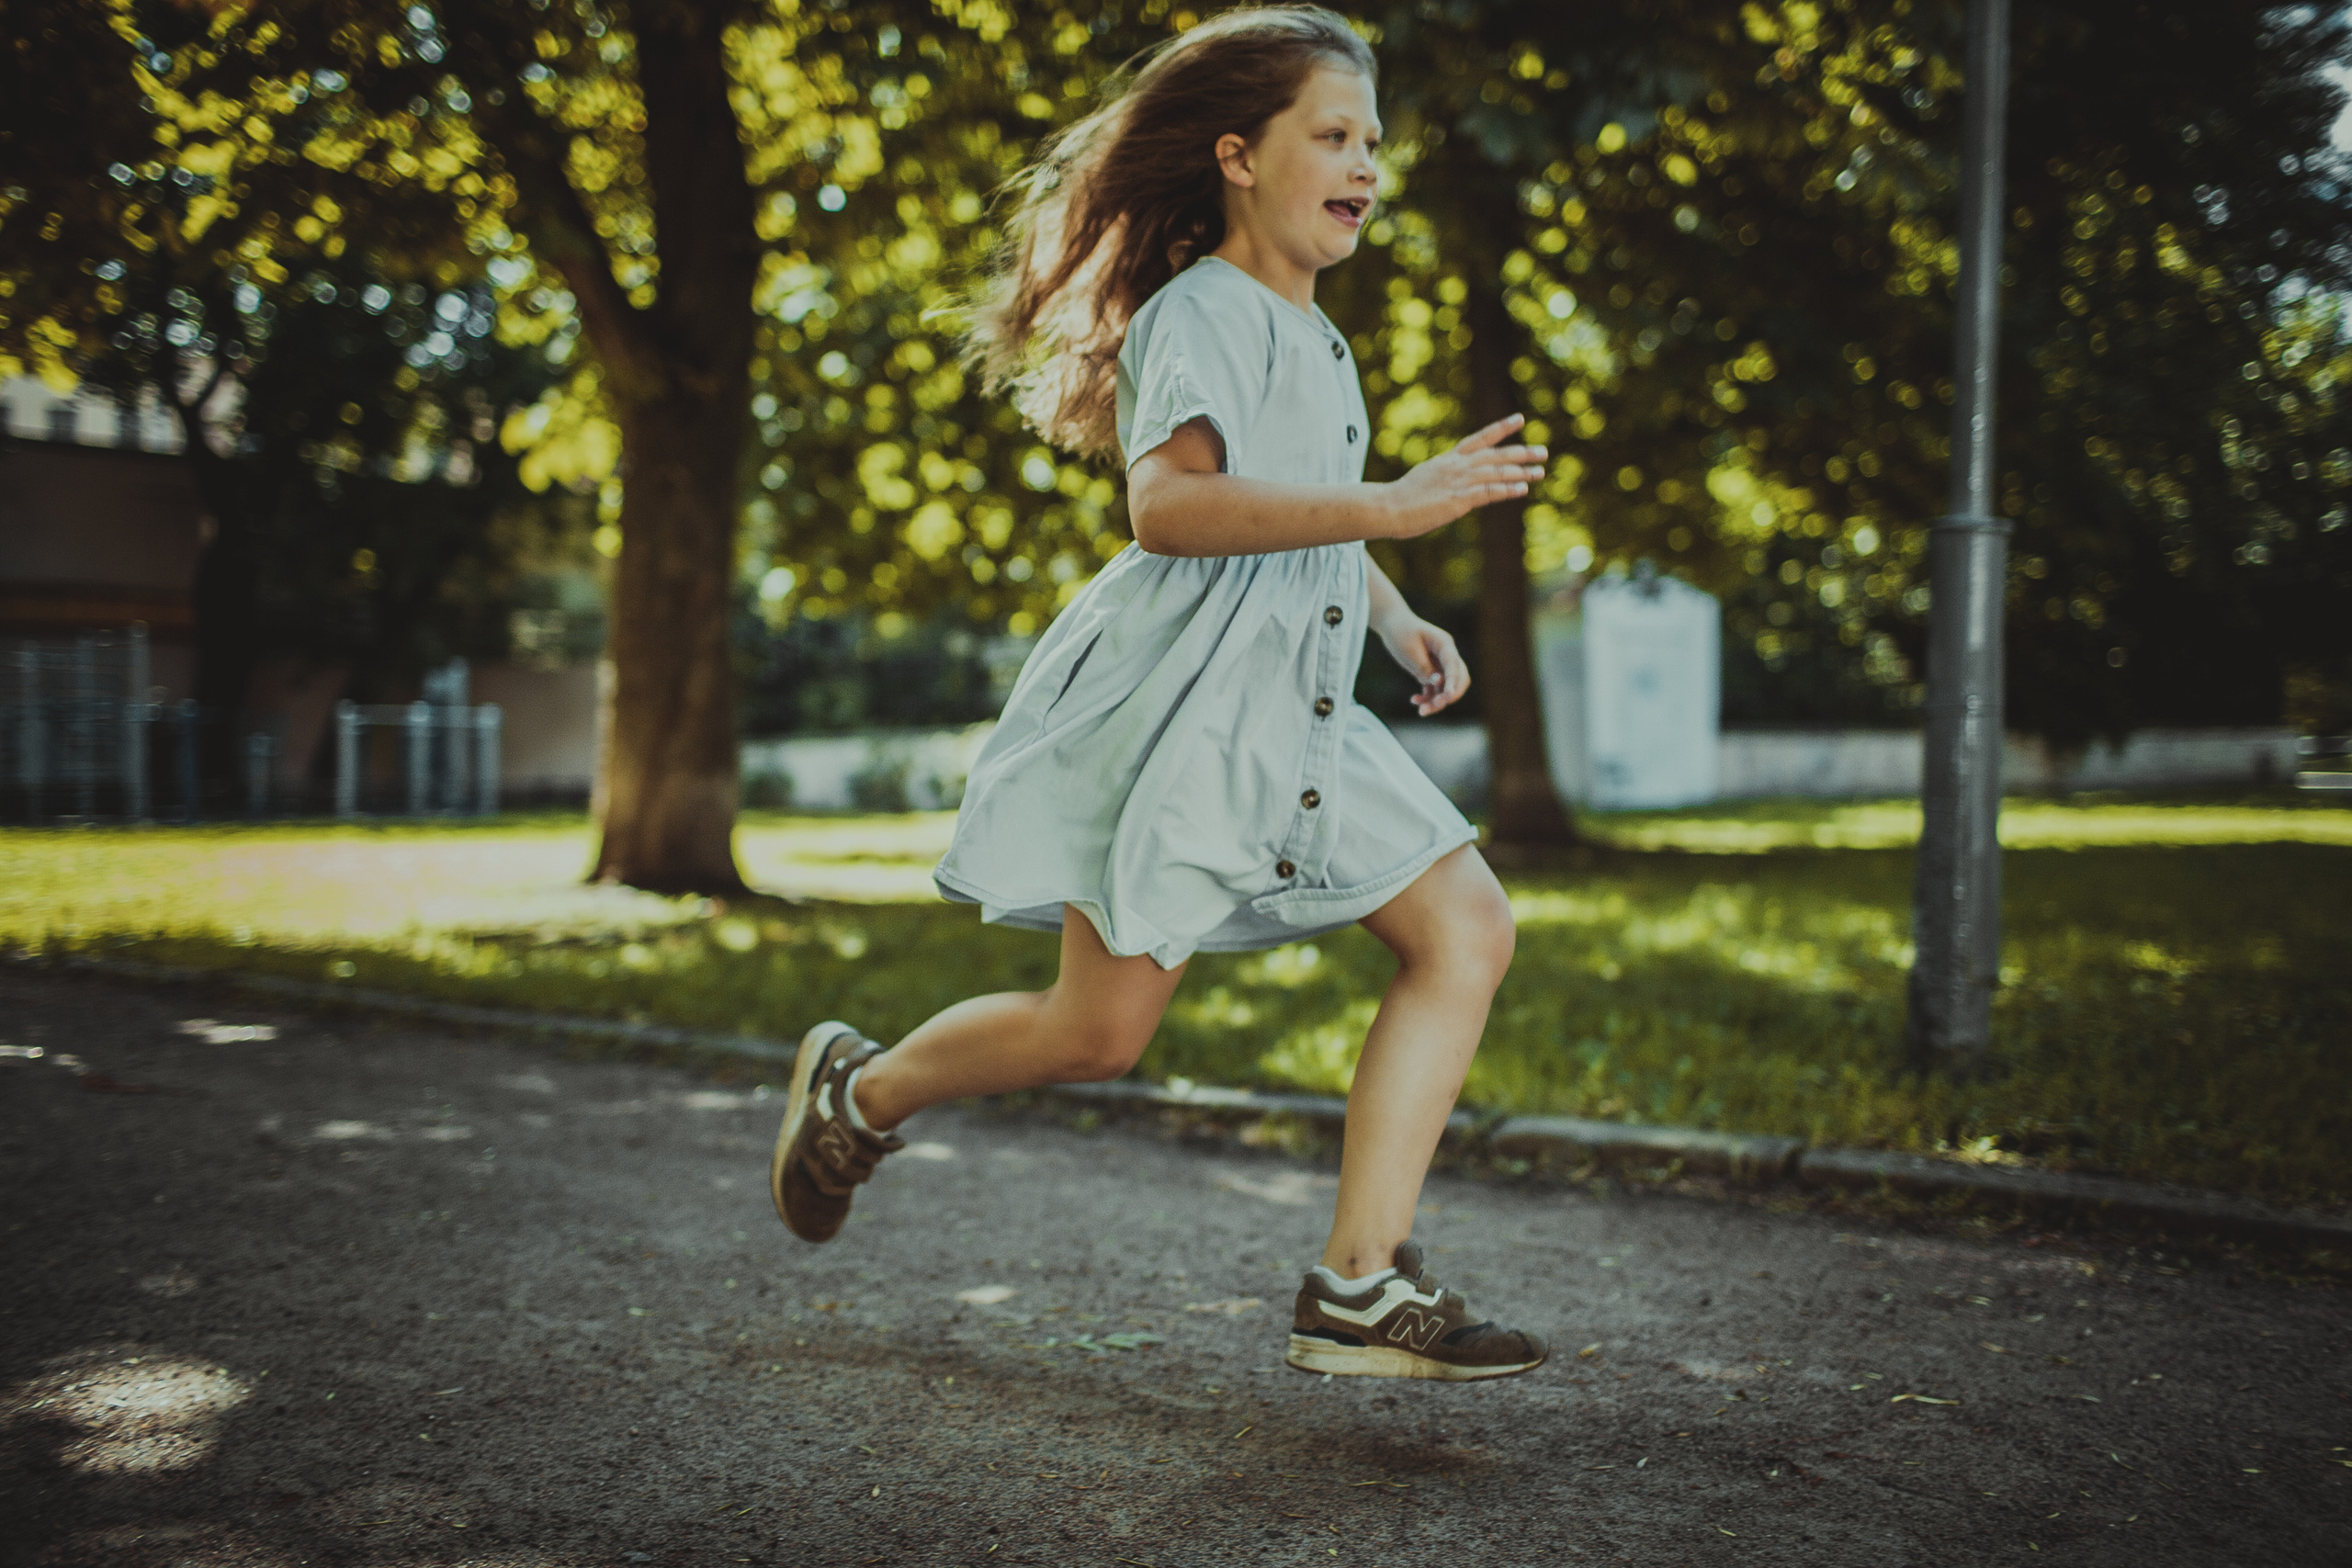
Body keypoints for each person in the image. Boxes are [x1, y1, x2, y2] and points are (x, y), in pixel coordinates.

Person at [768, 4, 1550, 1382]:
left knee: (1466, 928)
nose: (1367, 163)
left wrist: (1393, 607)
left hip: (1302, 710)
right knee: (1097, 1035)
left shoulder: (1319, 333)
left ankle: (1361, 1281)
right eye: (1334, 135)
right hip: (1190, 717)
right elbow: (1170, 507)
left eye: (1374, 140)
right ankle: (862, 1089)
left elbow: (1300, 515)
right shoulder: (1198, 312)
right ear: (1240, 155)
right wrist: (1391, 504)